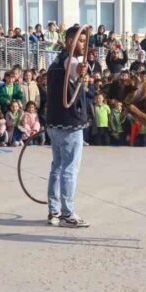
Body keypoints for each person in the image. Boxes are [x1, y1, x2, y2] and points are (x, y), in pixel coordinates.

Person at [45, 26, 90, 228]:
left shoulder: (55, 61)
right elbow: (73, 68)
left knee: (57, 167)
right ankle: (68, 213)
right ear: (70, 42)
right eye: (81, 41)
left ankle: (54, 211)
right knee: (69, 169)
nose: (84, 45)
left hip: (54, 122)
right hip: (69, 124)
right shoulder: (70, 60)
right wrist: (80, 71)